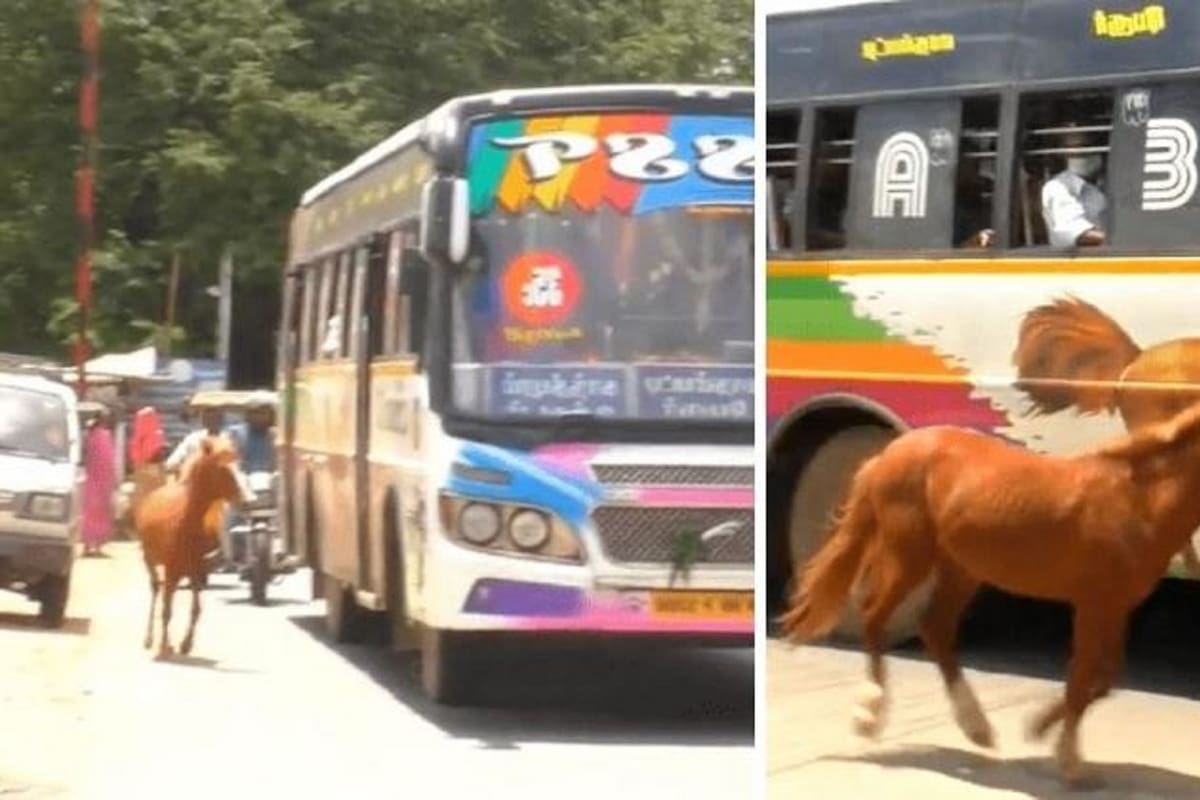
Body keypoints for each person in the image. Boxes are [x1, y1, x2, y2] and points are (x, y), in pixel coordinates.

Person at [1041, 129, 1108, 248]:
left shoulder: (1106, 182)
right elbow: (1077, 232)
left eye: (1089, 146)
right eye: (1078, 149)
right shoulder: (1058, 187)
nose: (1086, 152)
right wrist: (1121, 239)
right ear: (1063, 154)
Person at [81, 409, 118, 557]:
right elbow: (109, 459)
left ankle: (88, 545)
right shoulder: (104, 435)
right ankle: (95, 546)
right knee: (99, 513)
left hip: (93, 479)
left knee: (90, 512)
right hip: (101, 480)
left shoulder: (89, 435)